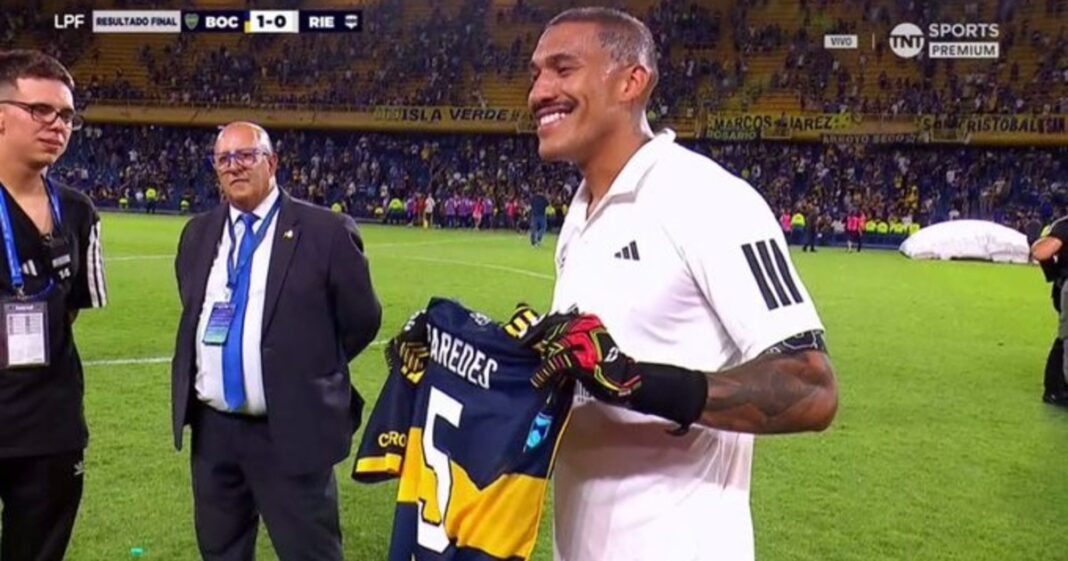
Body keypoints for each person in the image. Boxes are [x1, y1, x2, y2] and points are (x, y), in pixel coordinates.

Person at [526, 9, 837, 561]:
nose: (538, 92)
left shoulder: (705, 198)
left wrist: (636, 381)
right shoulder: (580, 216)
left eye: (562, 69)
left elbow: (811, 389)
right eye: (535, 75)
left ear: (631, 81)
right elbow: (591, 375)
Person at [170, 121, 382, 561]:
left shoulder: (326, 231)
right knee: (220, 551)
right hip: (214, 432)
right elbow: (192, 309)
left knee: (310, 552)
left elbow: (362, 319)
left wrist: (306, 366)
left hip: (291, 426)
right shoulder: (197, 234)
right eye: (224, 159)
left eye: (246, 155)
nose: (235, 166)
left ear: (272, 163)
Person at [0, 49, 108, 561]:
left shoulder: (79, 212)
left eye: (66, 115)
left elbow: (69, 311)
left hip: (50, 429)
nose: (57, 125)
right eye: (40, 110)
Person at [1030, 217, 1068, 406]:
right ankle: (1055, 389)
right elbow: (1041, 251)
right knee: (1064, 338)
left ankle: (1056, 388)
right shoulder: (1065, 226)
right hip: (1065, 289)